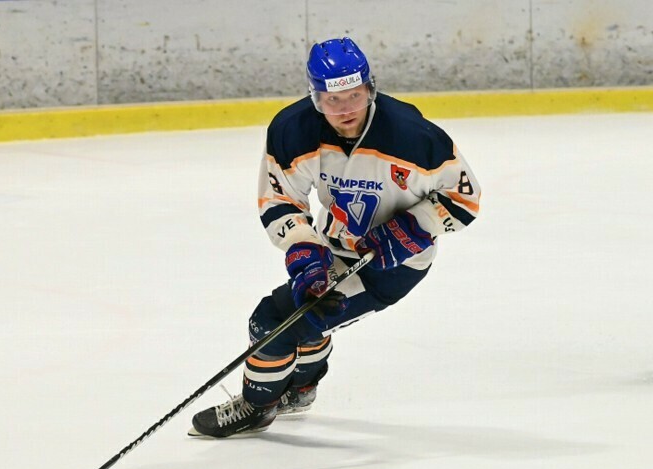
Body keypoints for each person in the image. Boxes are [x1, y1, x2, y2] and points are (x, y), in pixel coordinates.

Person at [189, 37, 481, 438]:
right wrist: (305, 248)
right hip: (333, 248)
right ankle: (300, 390)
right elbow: (281, 198)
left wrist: (414, 228)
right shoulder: (293, 130)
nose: (345, 110)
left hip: (395, 266)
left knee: (271, 322)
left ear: (370, 88)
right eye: (332, 100)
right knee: (309, 309)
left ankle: (257, 407)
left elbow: (464, 199)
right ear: (315, 97)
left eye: (354, 96)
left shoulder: (414, 136)